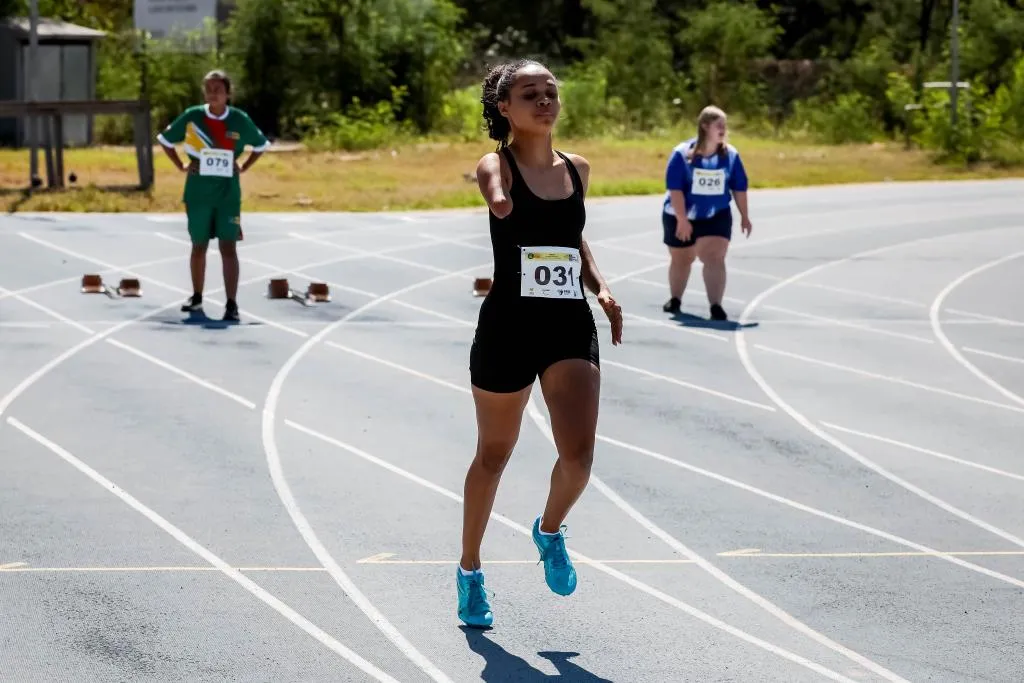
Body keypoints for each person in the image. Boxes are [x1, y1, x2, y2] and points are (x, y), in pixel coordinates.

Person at [456, 58, 623, 629]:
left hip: (566, 325)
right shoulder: (493, 165)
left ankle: (549, 530)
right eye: (531, 93)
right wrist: (502, 200)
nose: (545, 100)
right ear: (505, 107)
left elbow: (572, 236)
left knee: (578, 459)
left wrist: (601, 288)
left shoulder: (577, 169)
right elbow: (497, 194)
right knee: (494, 455)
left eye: (551, 91)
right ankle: (470, 571)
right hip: (507, 325)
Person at [156, 69, 270, 322]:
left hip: (228, 195)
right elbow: (165, 140)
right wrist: (181, 164)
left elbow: (261, 145)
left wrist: (244, 165)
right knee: (199, 246)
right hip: (198, 193)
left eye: (218, 89)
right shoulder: (193, 117)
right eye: (208, 89)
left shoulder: (239, 120)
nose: (213, 94)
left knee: (228, 247)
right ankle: (197, 297)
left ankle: (231, 303)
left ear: (228, 93)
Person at [660, 105, 752, 321]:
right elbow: (675, 189)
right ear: (704, 126)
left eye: (725, 125)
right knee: (682, 259)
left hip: (716, 214)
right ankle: (675, 299)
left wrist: (745, 216)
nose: (723, 129)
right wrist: (682, 220)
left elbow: (739, 188)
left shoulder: (730, 155)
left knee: (715, 257)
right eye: (718, 125)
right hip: (679, 214)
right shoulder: (682, 154)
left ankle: (716, 306)